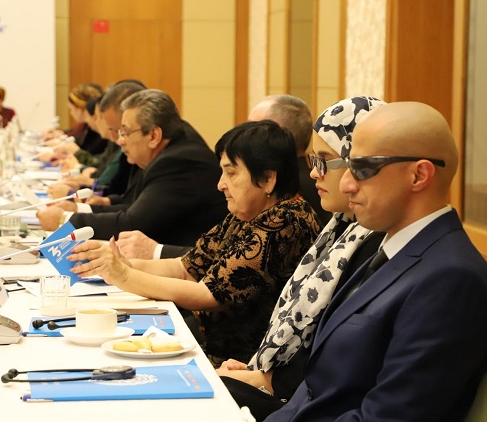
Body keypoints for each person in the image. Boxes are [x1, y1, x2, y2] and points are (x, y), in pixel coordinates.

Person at [265, 102, 487, 422]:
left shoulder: (452, 281)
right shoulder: (393, 246)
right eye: (347, 166)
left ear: (419, 175)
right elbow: (320, 385)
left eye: (363, 168)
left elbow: (387, 417)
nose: (346, 184)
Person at [67, 119, 321, 366]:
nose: (220, 184)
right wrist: (122, 263)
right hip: (209, 340)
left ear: (267, 179)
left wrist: (124, 275)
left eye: (231, 173)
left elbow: (208, 295)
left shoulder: (285, 221)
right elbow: (186, 267)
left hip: (242, 362)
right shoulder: (249, 212)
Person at [216, 96, 386, 421]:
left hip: (304, 398)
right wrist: (258, 371)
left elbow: (341, 354)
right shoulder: (340, 226)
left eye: (324, 161)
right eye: (311, 160)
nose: (313, 173)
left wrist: (265, 379)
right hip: (283, 380)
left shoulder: (374, 243)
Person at [115, 94, 329, 260]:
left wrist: (139, 263)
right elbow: (208, 257)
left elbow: (219, 277)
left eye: (252, 128)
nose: (221, 184)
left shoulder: (293, 199)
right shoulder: (247, 200)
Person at [37, 89, 228, 247]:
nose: (120, 140)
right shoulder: (172, 147)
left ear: (153, 136)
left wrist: (65, 219)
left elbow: (133, 224)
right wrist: (80, 208)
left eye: (126, 132)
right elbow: (135, 207)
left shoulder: (177, 162)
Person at [248, 95, 330, 226]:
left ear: (277, 135)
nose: (244, 135)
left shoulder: (288, 188)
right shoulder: (308, 175)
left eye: (252, 128)